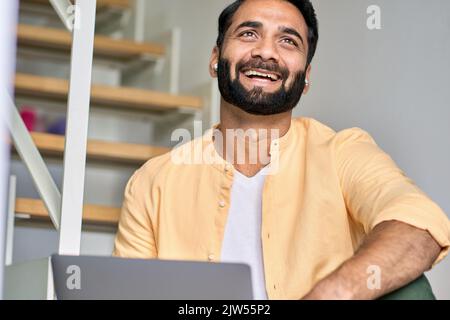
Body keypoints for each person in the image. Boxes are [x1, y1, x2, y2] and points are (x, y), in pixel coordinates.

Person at [113, 0, 450, 299]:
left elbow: (417, 225)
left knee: (409, 289)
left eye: (288, 41)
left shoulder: (341, 152)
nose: (266, 52)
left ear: (305, 79)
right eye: (248, 34)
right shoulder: (153, 181)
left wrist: (334, 292)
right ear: (216, 59)